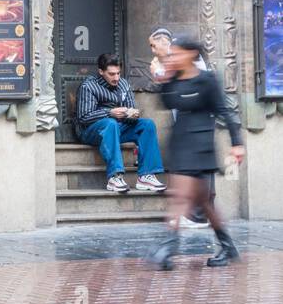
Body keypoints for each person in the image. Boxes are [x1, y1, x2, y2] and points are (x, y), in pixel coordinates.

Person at [147, 35, 246, 270]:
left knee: (179, 196)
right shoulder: (176, 80)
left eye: (178, 53)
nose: (174, 57)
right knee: (205, 204)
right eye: (172, 54)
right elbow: (166, 103)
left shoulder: (207, 80)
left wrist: (236, 142)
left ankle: (167, 249)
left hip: (201, 144)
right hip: (180, 142)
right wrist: (165, 78)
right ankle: (228, 247)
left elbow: (224, 111)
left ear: (191, 55)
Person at [75, 52, 166, 194]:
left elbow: (131, 111)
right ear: (101, 71)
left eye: (118, 73)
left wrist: (132, 114)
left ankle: (146, 176)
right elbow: (84, 117)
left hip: (117, 128)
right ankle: (115, 176)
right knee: (110, 123)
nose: (116, 78)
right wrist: (109, 112)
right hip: (91, 131)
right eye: (111, 74)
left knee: (147, 125)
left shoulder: (123, 84)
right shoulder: (89, 86)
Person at [148, 27, 210, 228]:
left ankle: (197, 216)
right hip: (184, 130)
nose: (152, 50)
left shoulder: (188, 61)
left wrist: (159, 72)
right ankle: (191, 215)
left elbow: (190, 86)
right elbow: (169, 97)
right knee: (186, 175)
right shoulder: (175, 62)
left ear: (165, 42)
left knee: (198, 176)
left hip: (198, 130)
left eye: (153, 45)